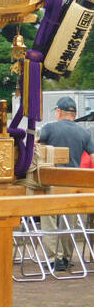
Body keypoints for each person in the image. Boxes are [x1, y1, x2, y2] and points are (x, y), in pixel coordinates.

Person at [39, 96, 94, 271]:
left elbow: (37, 150)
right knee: (69, 220)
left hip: (52, 181)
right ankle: (67, 257)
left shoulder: (49, 128)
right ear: (75, 114)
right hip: (73, 182)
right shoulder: (84, 133)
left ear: (59, 112)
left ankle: (55, 258)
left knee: (49, 219)